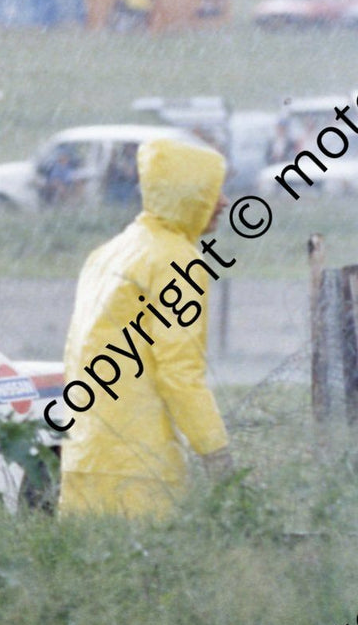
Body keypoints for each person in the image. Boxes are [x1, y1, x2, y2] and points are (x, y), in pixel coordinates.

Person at [57, 138, 233, 519]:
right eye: (212, 192)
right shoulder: (176, 261)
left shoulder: (109, 252)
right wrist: (216, 453)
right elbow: (179, 374)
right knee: (151, 577)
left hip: (83, 457)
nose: (222, 203)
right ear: (186, 195)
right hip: (140, 469)